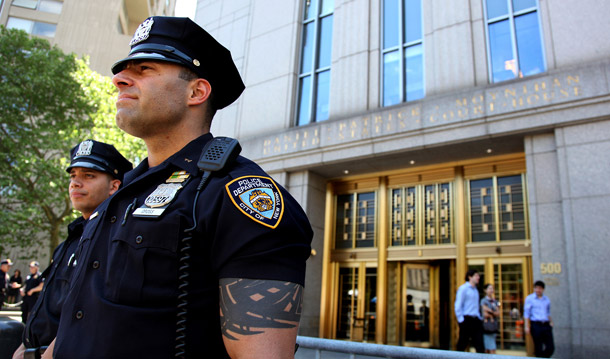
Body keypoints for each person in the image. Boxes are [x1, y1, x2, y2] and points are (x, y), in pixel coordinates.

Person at [49, 16, 313, 359]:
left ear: (196, 91)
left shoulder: (235, 193)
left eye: (144, 69)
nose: (118, 80)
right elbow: (85, 314)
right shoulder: (119, 196)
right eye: (123, 70)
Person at [12, 140, 132, 359]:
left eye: (88, 176)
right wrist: (23, 347)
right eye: (73, 175)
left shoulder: (116, 238)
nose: (76, 183)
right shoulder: (73, 237)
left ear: (114, 186)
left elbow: (92, 312)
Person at [454, 269, 484, 353]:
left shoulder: (476, 290)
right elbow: (458, 305)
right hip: (466, 319)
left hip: (476, 319)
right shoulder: (463, 289)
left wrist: (479, 317)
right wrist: (461, 320)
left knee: (479, 344)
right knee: (462, 343)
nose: (478, 277)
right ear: (470, 277)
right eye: (476, 276)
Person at [524, 280, 554, 357]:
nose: (538, 290)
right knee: (538, 347)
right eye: (536, 288)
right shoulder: (530, 298)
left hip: (546, 325)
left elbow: (547, 312)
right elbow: (526, 313)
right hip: (536, 325)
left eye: (539, 288)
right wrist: (527, 326)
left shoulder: (546, 299)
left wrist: (551, 321)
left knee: (550, 347)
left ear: (543, 289)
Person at [480, 283, 500, 353]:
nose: (491, 290)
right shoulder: (483, 301)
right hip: (486, 326)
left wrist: (490, 312)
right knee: (490, 348)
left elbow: (498, 313)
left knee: (489, 347)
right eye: (489, 288)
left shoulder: (495, 301)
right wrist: (493, 313)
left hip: (493, 326)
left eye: (492, 288)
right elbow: (485, 314)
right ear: (485, 290)